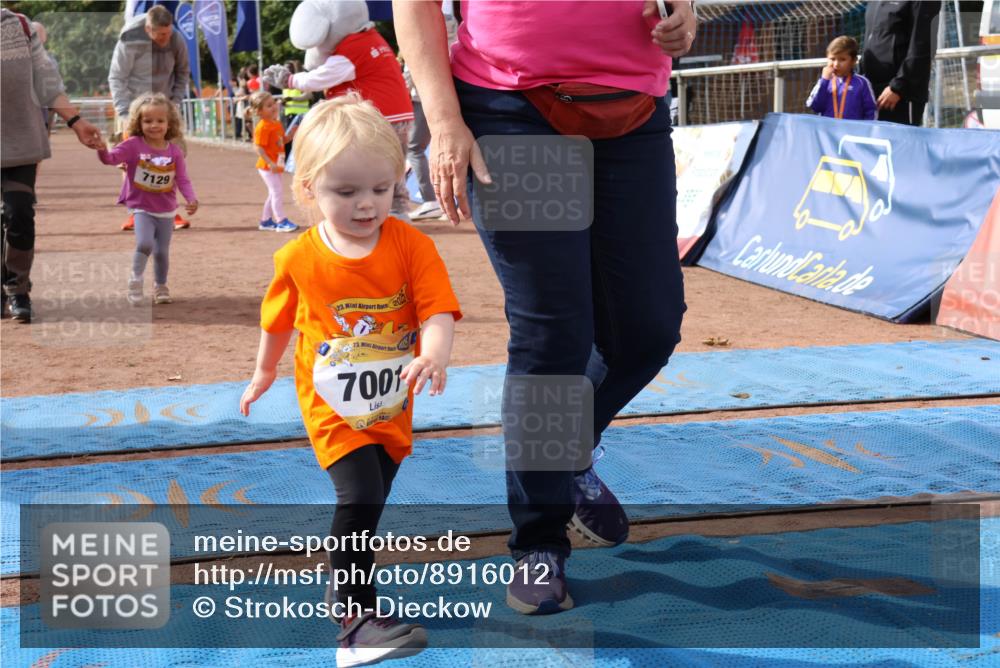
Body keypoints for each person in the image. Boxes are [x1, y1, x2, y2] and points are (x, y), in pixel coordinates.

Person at [395, 0, 695, 614]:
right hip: (514, 111)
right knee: (554, 334)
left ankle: (565, 454)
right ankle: (540, 540)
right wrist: (444, 118)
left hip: (632, 110)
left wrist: (685, 10)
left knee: (647, 329)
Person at [239, 94, 461, 666]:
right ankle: (355, 621)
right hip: (330, 403)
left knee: (375, 498)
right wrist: (265, 372)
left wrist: (433, 354)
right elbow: (278, 320)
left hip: (390, 401)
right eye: (347, 192)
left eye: (380, 189)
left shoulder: (412, 245)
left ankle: (348, 594)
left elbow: (437, 310)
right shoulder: (297, 258)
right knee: (358, 495)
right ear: (309, 188)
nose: (367, 205)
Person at [261, 0, 415, 222]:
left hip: (378, 116)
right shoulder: (372, 38)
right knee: (391, 168)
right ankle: (397, 212)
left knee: (367, 167)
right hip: (396, 113)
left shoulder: (352, 49)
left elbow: (322, 76)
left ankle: (372, 212)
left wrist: (290, 79)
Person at [1, 8, 103, 323]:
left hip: (21, 142)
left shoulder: (18, 27)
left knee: (18, 212)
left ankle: (18, 290)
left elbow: (47, 81)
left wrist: (76, 121)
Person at [96, 93, 198, 306]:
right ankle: (135, 281)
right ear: (138, 122)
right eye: (148, 121)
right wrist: (101, 148)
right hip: (141, 206)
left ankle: (161, 286)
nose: (154, 125)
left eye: (160, 121)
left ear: (169, 123)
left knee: (161, 252)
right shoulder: (133, 145)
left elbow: (182, 179)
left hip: (166, 209)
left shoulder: (175, 152)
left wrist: (191, 198)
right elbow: (110, 159)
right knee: (144, 243)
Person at [108, 5, 191, 231]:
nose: (166, 38)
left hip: (164, 108)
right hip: (134, 109)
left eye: (168, 33)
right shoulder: (129, 39)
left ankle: (169, 212)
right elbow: (117, 77)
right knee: (132, 162)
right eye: (160, 34)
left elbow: (183, 73)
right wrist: (125, 114)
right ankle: (136, 213)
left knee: (170, 159)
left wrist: (173, 104)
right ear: (148, 29)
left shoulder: (176, 39)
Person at [861, 0, 941, 126]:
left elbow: (924, 45)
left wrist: (898, 87)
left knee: (900, 144)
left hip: (899, 95)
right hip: (871, 90)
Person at [250, 91, 299, 233]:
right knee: (277, 192)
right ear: (259, 111)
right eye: (269, 105)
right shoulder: (262, 127)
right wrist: (270, 162)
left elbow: (281, 141)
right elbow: (258, 147)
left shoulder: (276, 123)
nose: (274, 107)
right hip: (267, 166)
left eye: (273, 103)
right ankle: (281, 220)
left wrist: (291, 135)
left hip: (277, 164)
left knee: (273, 193)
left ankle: (265, 221)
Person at [806, 36, 877, 120]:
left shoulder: (862, 83)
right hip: (828, 131)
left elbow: (871, 110)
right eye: (832, 59)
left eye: (842, 59)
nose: (836, 64)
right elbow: (814, 106)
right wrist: (824, 81)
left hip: (853, 131)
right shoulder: (824, 81)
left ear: (853, 61)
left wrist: (867, 130)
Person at [280, 61, 311, 160]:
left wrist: (292, 99)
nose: (286, 70)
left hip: (300, 116)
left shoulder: (300, 81)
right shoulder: (284, 84)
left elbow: (308, 95)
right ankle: (286, 160)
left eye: (288, 68)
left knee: (301, 139)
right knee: (287, 139)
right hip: (289, 115)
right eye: (284, 68)